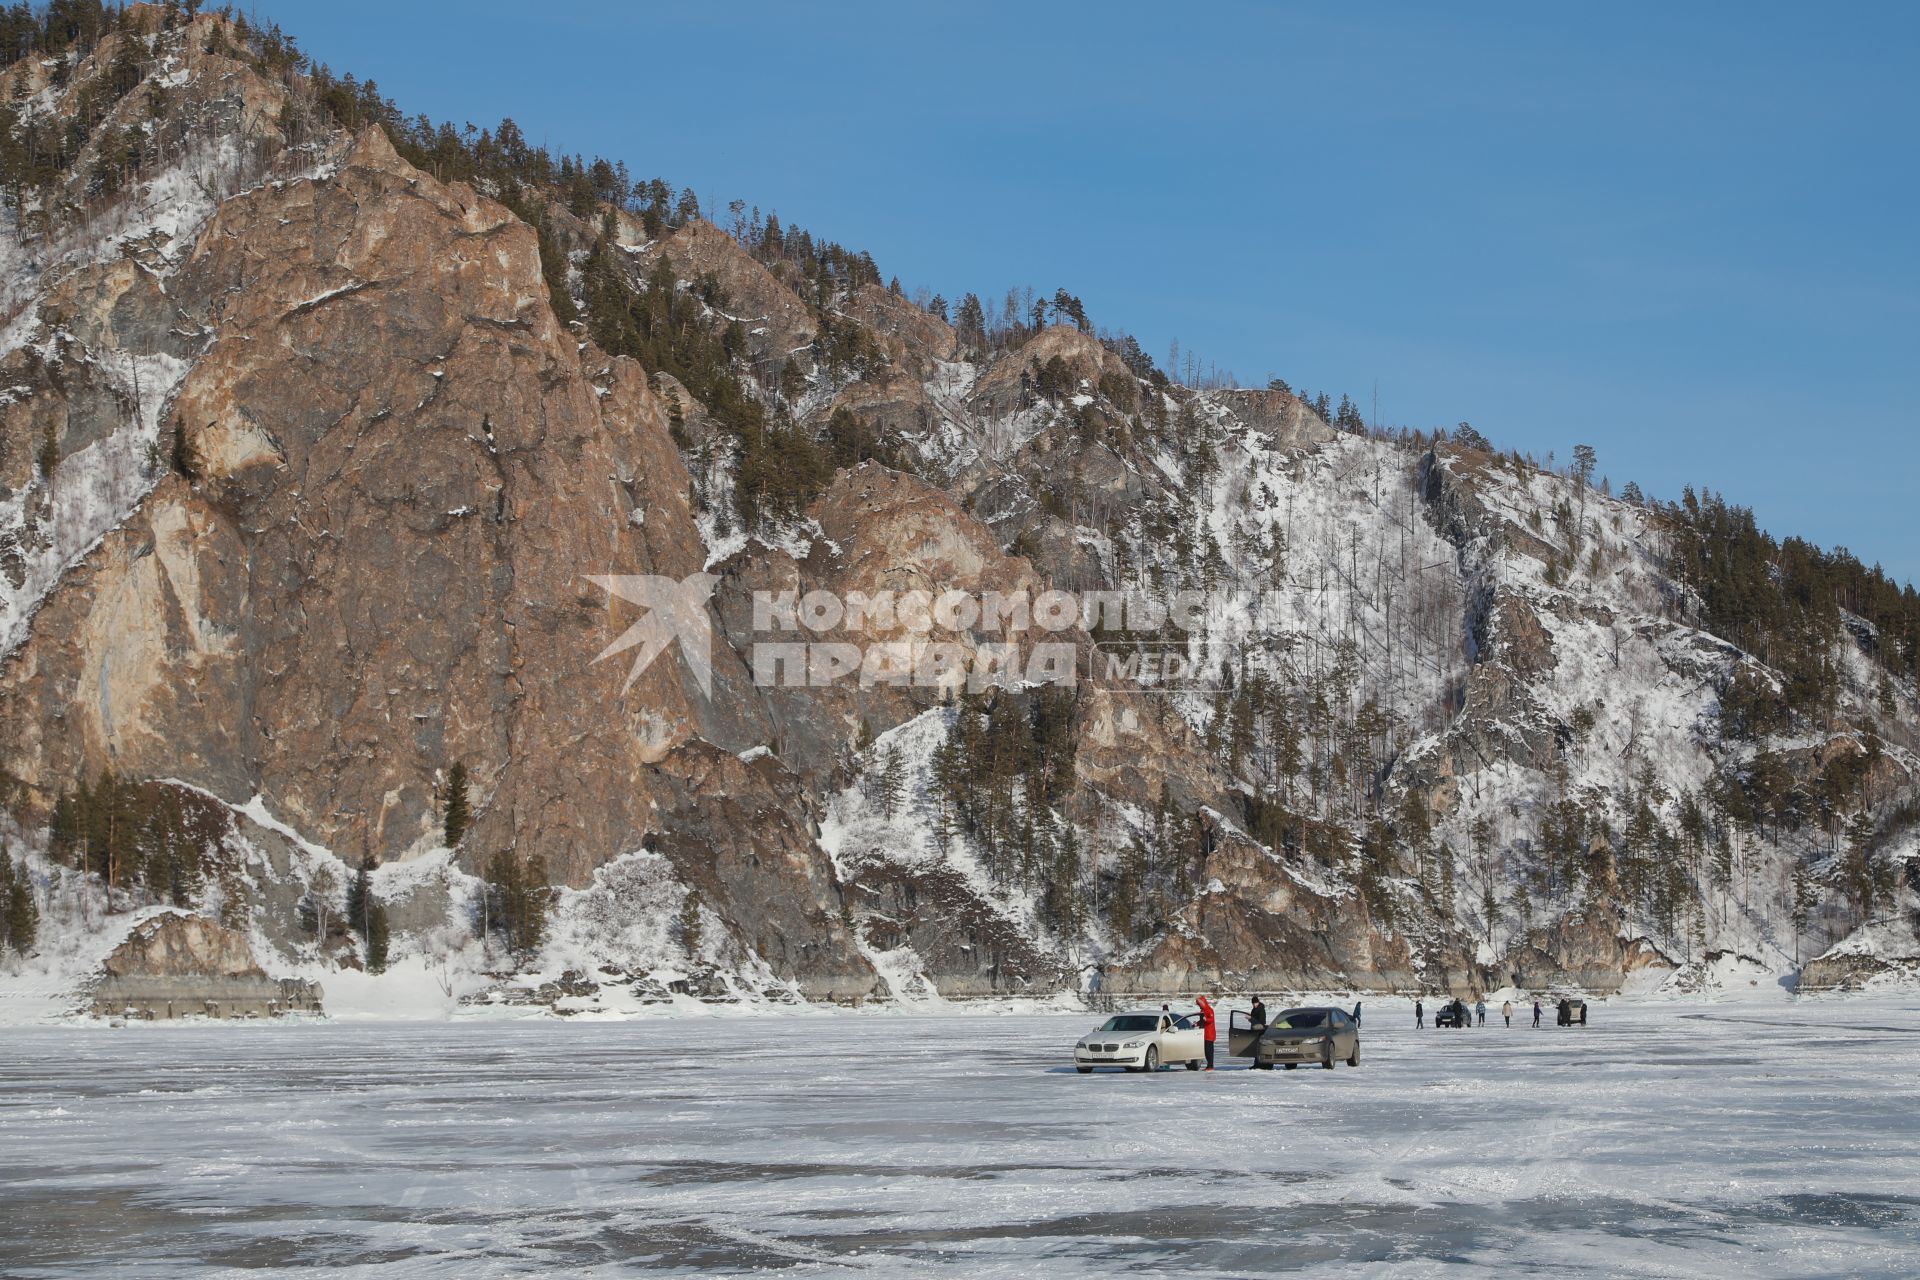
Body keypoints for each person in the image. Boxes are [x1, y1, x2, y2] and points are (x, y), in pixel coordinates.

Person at [1195, 994, 1217, 1071]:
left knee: (1209, 1051)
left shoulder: (1209, 1010)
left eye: (1199, 1004)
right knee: (1205, 1051)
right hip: (1203, 1034)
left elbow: (1211, 1020)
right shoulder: (1202, 1011)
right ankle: (1209, 1065)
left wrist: (1206, 1019)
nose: (1199, 1006)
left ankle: (1211, 1066)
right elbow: (1202, 1021)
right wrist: (1197, 1023)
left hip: (1209, 1034)